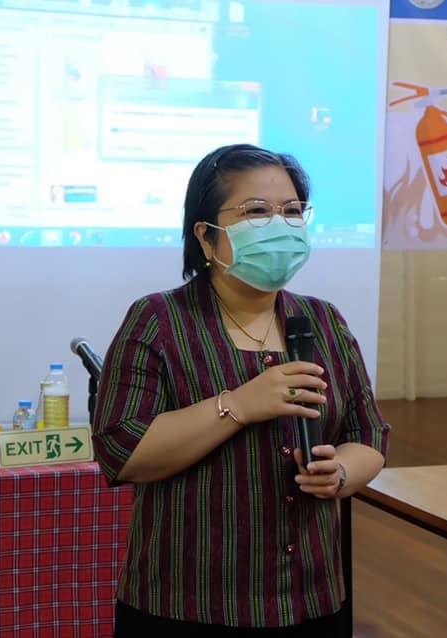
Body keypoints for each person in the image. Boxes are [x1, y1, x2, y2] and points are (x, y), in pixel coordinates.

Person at [93, 144, 390, 637]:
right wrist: (238, 406)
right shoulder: (158, 320)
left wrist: (340, 472)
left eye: (292, 211)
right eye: (256, 212)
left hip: (311, 596)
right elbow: (121, 449)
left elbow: (369, 434)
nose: (280, 225)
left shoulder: (322, 320)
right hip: (188, 601)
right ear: (206, 236)